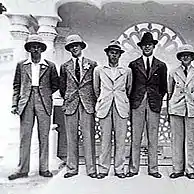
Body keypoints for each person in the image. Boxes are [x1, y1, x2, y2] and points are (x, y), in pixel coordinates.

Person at [8, 34, 59, 180]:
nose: (35, 49)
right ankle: (22, 170)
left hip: (43, 102)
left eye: (38, 47)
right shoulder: (22, 65)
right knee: (25, 137)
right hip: (26, 102)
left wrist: (45, 93)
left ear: (42, 49)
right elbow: (16, 85)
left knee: (44, 136)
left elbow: (55, 83)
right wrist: (14, 103)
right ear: (29, 49)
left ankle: (44, 168)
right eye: (32, 47)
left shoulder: (49, 65)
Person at [126, 32, 167, 178]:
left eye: (149, 45)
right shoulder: (133, 64)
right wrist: (135, 100)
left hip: (154, 104)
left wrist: (156, 98)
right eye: (144, 45)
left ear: (154, 46)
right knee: (135, 137)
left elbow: (163, 87)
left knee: (153, 137)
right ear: (141, 47)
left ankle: (153, 169)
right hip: (137, 103)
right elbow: (130, 85)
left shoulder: (161, 65)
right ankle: (133, 168)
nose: (147, 47)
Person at [60, 34, 98, 178]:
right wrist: (68, 98)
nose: (74, 48)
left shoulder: (92, 64)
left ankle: (91, 169)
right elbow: (62, 86)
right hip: (71, 104)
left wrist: (92, 101)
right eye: (71, 46)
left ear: (81, 46)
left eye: (76, 45)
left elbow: (95, 85)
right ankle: (72, 168)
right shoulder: (65, 66)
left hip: (87, 104)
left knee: (88, 136)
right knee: (71, 137)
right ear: (69, 49)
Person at [93, 40, 132, 179]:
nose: (114, 55)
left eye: (116, 53)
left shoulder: (126, 71)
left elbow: (128, 89)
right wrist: (104, 99)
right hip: (105, 106)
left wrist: (121, 99)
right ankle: (103, 169)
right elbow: (96, 89)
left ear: (120, 55)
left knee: (121, 139)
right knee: (105, 139)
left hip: (121, 106)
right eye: (111, 52)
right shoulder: (99, 70)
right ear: (107, 54)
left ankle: (119, 169)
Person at [167, 44, 194, 180]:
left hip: (193, 109)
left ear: (192, 57)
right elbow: (169, 91)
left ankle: (190, 169)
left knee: (190, 141)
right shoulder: (173, 72)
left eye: (188, 55)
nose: (185, 57)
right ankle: (177, 169)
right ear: (179, 57)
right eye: (183, 55)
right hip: (176, 109)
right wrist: (169, 109)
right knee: (177, 140)